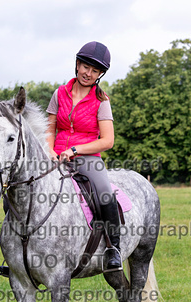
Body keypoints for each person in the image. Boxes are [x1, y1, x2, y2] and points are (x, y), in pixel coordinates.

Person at [46, 41, 122, 271]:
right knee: (21, 186)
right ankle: (18, 250)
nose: (88, 73)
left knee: (105, 194)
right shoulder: (59, 93)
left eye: (95, 70)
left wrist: (75, 150)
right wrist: (49, 150)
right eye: (85, 67)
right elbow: (49, 129)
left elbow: (107, 140)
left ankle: (113, 249)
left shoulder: (102, 101)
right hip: (55, 155)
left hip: (87, 158)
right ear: (77, 64)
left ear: (100, 74)